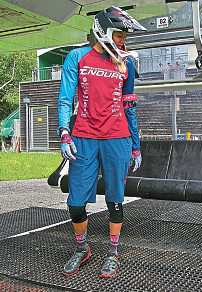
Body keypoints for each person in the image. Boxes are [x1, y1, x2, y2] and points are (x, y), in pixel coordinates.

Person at [58, 6, 146, 278]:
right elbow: (65, 98)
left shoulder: (126, 63)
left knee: (115, 200)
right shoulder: (77, 57)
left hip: (117, 139)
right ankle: (82, 248)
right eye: (119, 34)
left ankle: (113, 253)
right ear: (103, 31)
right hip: (83, 138)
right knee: (75, 203)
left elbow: (129, 106)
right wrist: (64, 131)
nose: (123, 40)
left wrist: (136, 144)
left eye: (124, 36)